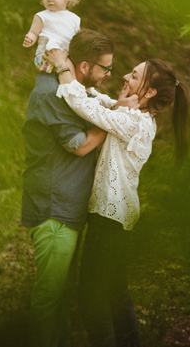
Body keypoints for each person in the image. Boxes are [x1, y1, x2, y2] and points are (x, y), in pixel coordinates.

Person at [45, 48, 190, 347]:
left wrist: (62, 67)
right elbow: (101, 101)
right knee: (115, 294)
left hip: (108, 218)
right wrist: (82, 81)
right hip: (118, 218)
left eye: (134, 75)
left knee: (91, 297)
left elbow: (86, 108)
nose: (125, 75)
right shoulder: (132, 115)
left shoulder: (135, 123)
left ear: (148, 91)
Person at [21, 28, 115, 347]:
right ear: (86, 66)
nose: (109, 74)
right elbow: (78, 145)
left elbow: (92, 108)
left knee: (59, 299)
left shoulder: (71, 90)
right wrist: (112, 124)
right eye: (106, 68)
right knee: (49, 299)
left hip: (66, 210)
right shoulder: (52, 93)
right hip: (54, 210)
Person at [23, 0, 83, 73]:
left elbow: (77, 38)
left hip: (66, 55)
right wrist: (30, 38)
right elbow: (34, 32)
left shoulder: (74, 18)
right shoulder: (42, 16)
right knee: (69, 70)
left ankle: (81, 87)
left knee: (78, 69)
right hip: (47, 56)